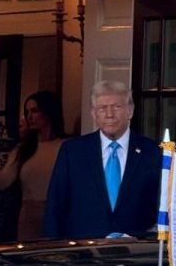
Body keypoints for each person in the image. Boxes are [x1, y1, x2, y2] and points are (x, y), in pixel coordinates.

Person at [41, 80, 161, 239]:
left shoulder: (153, 152)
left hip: (135, 249)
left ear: (130, 111)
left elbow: (165, 207)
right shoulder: (73, 151)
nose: (109, 115)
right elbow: (55, 206)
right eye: (102, 108)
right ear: (93, 114)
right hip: (84, 249)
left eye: (117, 107)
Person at [0, 91, 68, 239]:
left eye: (35, 111)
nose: (29, 116)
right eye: (27, 112)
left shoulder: (66, 147)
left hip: (58, 215)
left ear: (49, 112)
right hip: (29, 217)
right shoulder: (24, 149)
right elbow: (2, 182)